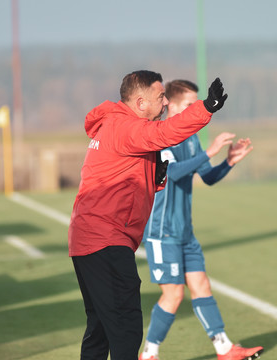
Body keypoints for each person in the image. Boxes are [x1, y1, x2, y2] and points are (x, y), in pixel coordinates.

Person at [68, 70, 228, 360]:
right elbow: (165, 134)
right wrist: (205, 108)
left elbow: (126, 178)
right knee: (126, 327)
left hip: (89, 240)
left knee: (101, 328)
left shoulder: (116, 124)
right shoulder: (125, 126)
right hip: (106, 240)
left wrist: (156, 178)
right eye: (160, 97)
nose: (166, 102)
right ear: (141, 103)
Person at [139, 80, 263, 360]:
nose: (196, 108)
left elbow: (206, 177)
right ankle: (148, 354)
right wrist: (209, 152)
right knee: (173, 295)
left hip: (185, 232)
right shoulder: (160, 136)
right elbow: (172, 173)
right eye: (189, 104)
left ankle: (225, 348)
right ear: (169, 104)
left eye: (198, 103)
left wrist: (228, 161)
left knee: (202, 286)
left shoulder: (192, 137)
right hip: (162, 232)